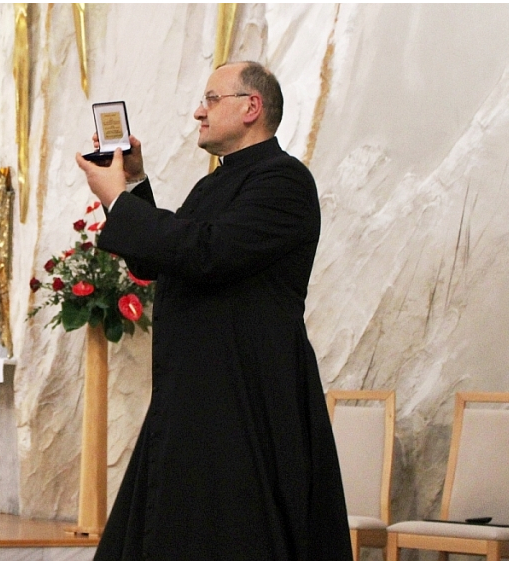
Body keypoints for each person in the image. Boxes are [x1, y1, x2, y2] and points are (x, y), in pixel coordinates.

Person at [75, 61, 352, 559]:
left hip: (246, 394)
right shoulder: (213, 185)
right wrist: (134, 187)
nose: (198, 112)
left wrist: (119, 200)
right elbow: (159, 258)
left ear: (252, 107)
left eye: (211, 99)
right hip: (195, 391)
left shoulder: (284, 181)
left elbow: (209, 253)